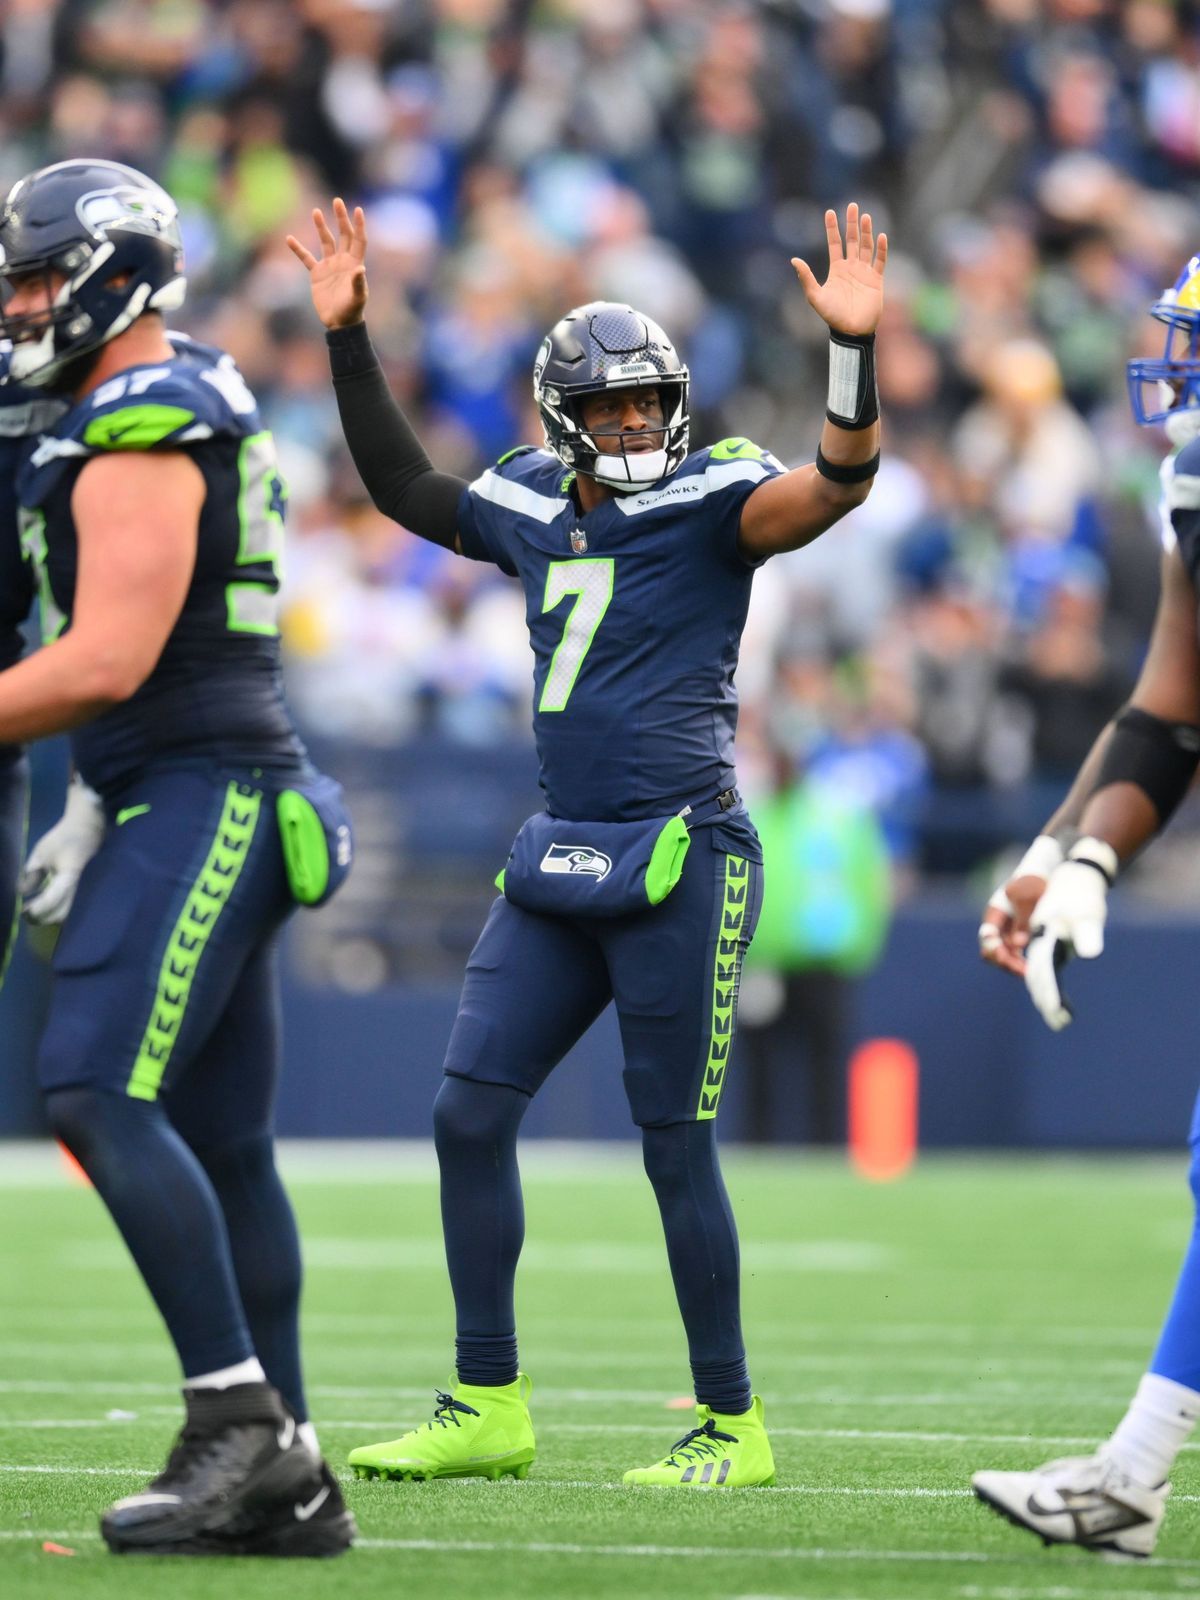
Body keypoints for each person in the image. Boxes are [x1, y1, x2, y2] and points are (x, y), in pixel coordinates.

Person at [290, 195, 886, 1487]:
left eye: (643, 403)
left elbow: (839, 483)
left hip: (685, 854)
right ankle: (487, 1403)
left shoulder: (716, 492)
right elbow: (403, 486)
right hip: (563, 852)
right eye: (606, 409)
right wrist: (349, 337)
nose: (630, 426)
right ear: (564, 418)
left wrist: (851, 353)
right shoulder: (523, 500)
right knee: (464, 1114)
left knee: (672, 1143)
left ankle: (734, 1425)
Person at [0, 157, 356, 1557]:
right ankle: (298, 1477)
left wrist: (90, 779)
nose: (21, 306)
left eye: (37, 277)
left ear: (109, 270)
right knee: (226, 1143)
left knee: (91, 1086)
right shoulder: (104, 397)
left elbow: (109, 658)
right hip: (175, 783)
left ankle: (238, 1422)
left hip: (205, 786)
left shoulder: (147, 412)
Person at [972, 254, 1200, 1559]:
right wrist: (1071, 854)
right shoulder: (1191, 483)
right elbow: (1169, 708)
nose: (1180, 372)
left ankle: (1129, 1475)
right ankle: (1130, 1475)